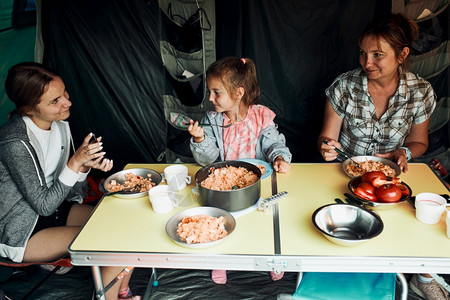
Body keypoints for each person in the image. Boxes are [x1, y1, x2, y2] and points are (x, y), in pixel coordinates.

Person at [318, 13, 448, 300]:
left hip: (394, 179)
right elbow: (327, 137)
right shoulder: (345, 86)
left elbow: (419, 142)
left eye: (378, 55)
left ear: (402, 55)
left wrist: (404, 152)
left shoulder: (420, 91)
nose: (367, 63)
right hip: (346, 175)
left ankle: (422, 276)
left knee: (423, 225)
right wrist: (327, 146)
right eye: (363, 53)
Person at [0, 62, 139, 300]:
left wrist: (83, 167)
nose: (67, 102)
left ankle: (121, 293)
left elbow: (74, 191)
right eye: (55, 101)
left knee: (129, 222)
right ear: (29, 108)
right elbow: (43, 205)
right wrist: (74, 163)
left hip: (57, 211)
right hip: (24, 231)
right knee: (112, 241)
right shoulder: (15, 142)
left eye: (64, 93)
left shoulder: (60, 126)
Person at [188, 57, 292, 284]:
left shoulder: (261, 116)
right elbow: (210, 159)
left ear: (238, 93)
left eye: (216, 93)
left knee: (265, 220)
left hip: (258, 182)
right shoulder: (212, 121)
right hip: (225, 186)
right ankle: (221, 259)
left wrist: (280, 157)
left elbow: (273, 144)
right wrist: (200, 138)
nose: (210, 99)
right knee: (221, 219)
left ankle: (272, 258)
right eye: (210, 92)